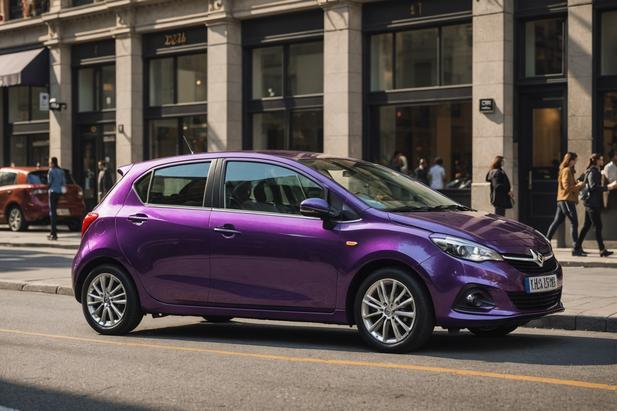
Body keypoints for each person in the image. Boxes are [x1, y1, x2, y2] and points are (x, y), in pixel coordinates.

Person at [575, 154, 617, 257]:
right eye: (601, 159)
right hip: (592, 204)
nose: (603, 161)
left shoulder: (592, 170)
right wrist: (608, 187)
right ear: (597, 160)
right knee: (598, 226)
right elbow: (593, 187)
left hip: (590, 203)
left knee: (587, 226)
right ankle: (602, 250)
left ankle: (576, 248)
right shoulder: (593, 171)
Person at [546, 152, 585, 256]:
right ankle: (576, 249)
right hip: (567, 200)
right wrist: (579, 186)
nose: (576, 162)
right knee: (574, 222)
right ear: (571, 160)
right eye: (575, 160)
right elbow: (566, 187)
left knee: (557, 221)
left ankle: (545, 243)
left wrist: (577, 182)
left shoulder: (567, 170)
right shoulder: (567, 170)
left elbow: (568, 185)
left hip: (563, 199)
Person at [47, 157, 66, 241]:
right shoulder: (61, 171)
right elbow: (63, 182)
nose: (49, 164)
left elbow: (49, 182)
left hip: (52, 192)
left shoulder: (51, 171)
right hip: (58, 193)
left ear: (53, 163)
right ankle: (52, 233)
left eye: (50, 162)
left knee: (52, 213)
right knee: (54, 212)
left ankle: (53, 234)